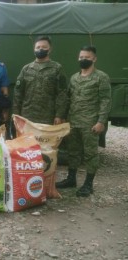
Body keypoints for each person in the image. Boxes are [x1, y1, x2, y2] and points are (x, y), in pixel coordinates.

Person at [56, 46, 111, 197]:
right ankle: (71, 179)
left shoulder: (101, 77)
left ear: (94, 59)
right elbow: (68, 99)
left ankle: (88, 184)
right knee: (73, 152)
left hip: (90, 123)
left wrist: (101, 122)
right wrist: (63, 117)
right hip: (74, 122)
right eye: (81, 57)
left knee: (90, 154)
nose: (83, 60)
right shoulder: (75, 78)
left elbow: (105, 101)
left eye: (86, 57)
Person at [13, 36, 68, 125]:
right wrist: (16, 115)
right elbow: (18, 93)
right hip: (27, 116)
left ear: (50, 49)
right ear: (34, 49)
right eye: (38, 47)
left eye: (44, 47)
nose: (40, 49)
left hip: (48, 117)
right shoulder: (26, 69)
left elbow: (62, 94)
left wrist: (59, 115)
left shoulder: (57, 68)